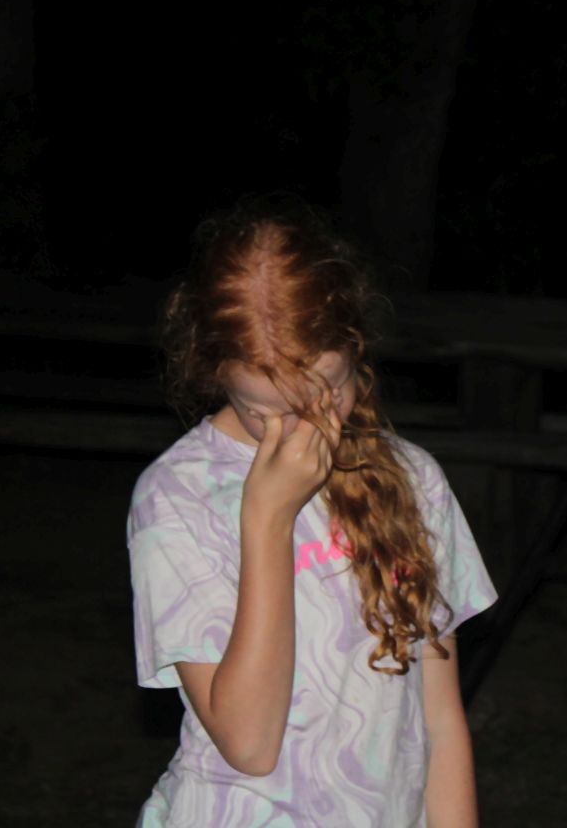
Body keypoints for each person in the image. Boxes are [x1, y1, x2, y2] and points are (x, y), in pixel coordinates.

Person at [128, 195, 495, 826]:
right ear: (214, 371)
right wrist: (267, 519)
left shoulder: (412, 479)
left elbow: (438, 718)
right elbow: (249, 744)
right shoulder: (175, 496)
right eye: (265, 412)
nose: (307, 430)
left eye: (329, 392)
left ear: (356, 348)